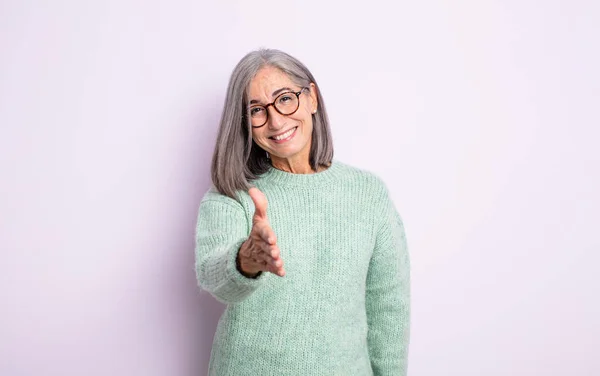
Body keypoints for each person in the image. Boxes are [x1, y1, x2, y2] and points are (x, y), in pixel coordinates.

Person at [194, 48, 410, 375]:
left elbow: (388, 309)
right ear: (245, 124)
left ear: (311, 98)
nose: (276, 121)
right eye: (256, 109)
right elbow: (213, 274)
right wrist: (245, 259)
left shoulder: (367, 193)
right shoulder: (234, 194)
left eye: (285, 99)